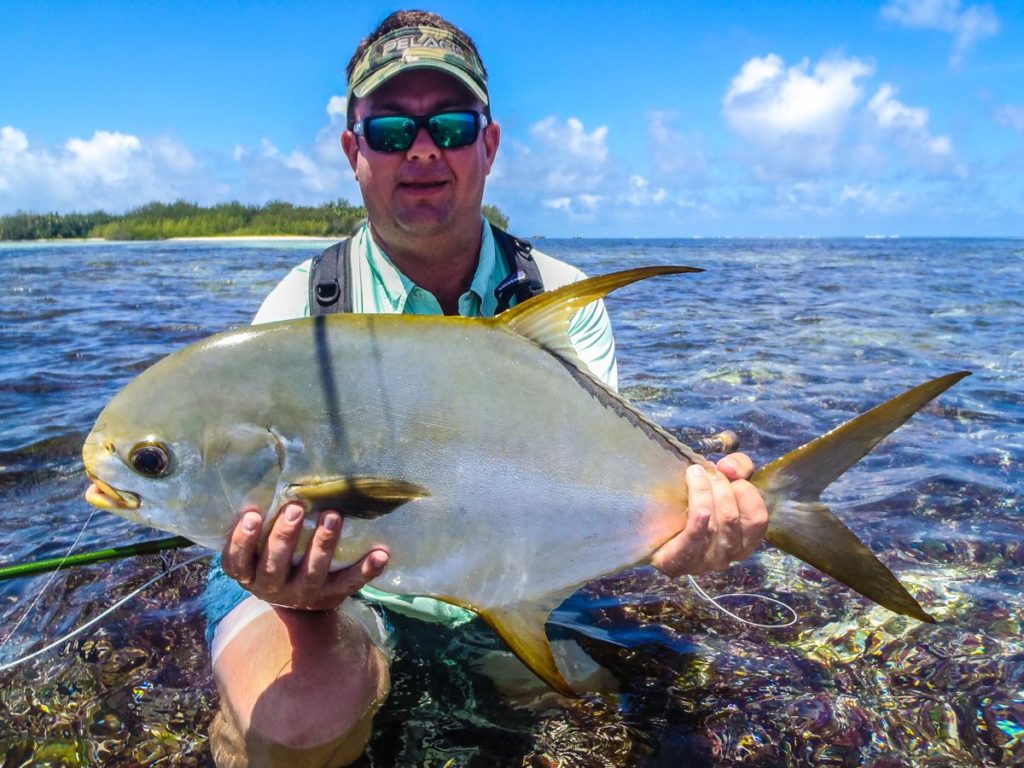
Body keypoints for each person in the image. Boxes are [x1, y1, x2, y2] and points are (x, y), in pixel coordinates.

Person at [205, 11, 769, 767]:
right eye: (392, 132)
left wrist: (682, 523)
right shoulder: (300, 312)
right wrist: (287, 586)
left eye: (452, 124)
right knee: (298, 721)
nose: (425, 151)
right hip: (333, 588)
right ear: (354, 151)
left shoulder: (563, 297)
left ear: (489, 143)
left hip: (512, 574)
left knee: (609, 714)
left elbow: (581, 485)